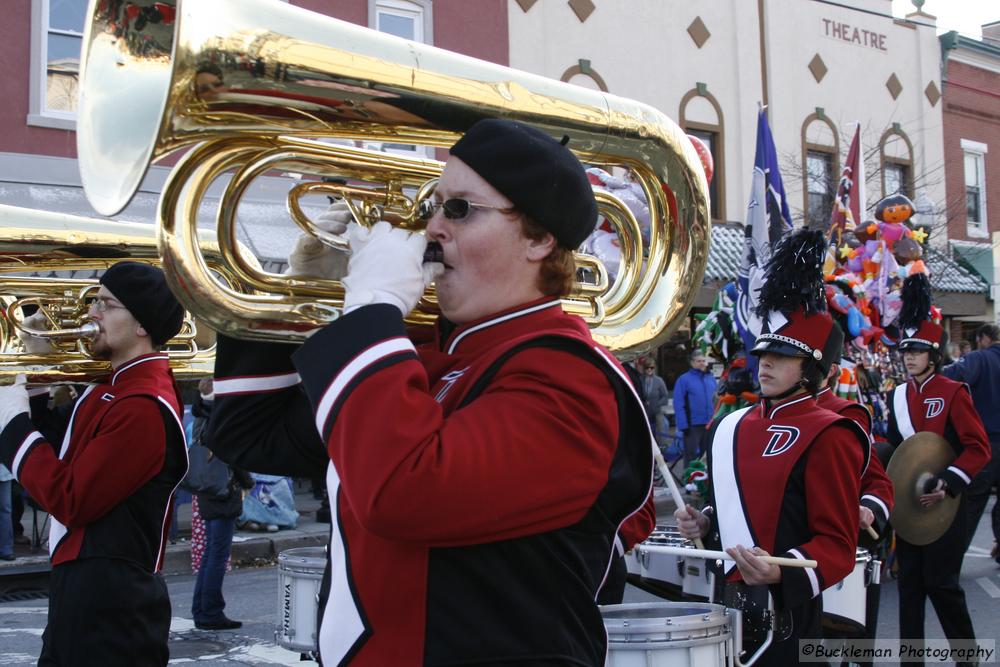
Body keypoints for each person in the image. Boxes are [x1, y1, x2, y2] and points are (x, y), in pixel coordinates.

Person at [207, 118, 654, 665]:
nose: (431, 227)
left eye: (459, 209)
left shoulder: (573, 379)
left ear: (539, 238)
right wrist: (293, 299)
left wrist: (373, 308)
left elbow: (401, 493)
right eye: (432, 205)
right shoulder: (429, 358)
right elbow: (250, 437)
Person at [675, 229, 867, 666]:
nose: (766, 363)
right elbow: (741, 509)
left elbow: (837, 543)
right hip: (726, 600)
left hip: (790, 614)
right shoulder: (731, 426)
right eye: (765, 354)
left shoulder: (830, 432)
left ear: (814, 367)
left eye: (782, 356)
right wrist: (705, 524)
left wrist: (782, 569)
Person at [0, 262, 187, 666]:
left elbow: (69, 497)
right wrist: (34, 380)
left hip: (112, 603)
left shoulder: (142, 406)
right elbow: (65, 452)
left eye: (106, 304)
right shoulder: (115, 390)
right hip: (90, 590)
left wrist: (12, 425)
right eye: (94, 302)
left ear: (142, 325)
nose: (90, 314)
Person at [886, 274, 989, 658]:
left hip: (945, 504)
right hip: (910, 508)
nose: (909, 357)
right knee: (909, 587)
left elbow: (978, 448)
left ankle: (967, 659)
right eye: (905, 352)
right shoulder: (896, 396)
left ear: (934, 355)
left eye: (917, 351)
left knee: (943, 586)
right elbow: (897, 450)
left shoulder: (953, 392)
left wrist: (948, 481)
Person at [816, 362, 893, 664]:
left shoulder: (846, 414)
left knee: (840, 647)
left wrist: (870, 509)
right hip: (773, 557)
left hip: (830, 549)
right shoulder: (750, 417)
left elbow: (875, 480)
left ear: (829, 370)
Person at [190, 379, 254, 630]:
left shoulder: (200, 415)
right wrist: (247, 481)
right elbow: (233, 453)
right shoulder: (219, 417)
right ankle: (211, 612)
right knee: (217, 553)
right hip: (224, 489)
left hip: (208, 487)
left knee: (211, 552)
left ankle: (201, 609)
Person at [941, 323, 1000, 559]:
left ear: (983, 338)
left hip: (987, 442)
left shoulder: (979, 359)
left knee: (973, 501)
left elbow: (951, 376)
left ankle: (953, 556)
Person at [672, 349, 717, 465]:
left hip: (709, 423)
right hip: (692, 425)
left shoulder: (710, 378)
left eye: (703, 360)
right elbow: (678, 403)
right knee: (691, 456)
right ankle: (689, 481)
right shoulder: (684, 379)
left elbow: (717, 401)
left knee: (708, 455)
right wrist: (683, 425)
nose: (702, 363)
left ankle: (705, 481)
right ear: (692, 363)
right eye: (698, 361)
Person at [640, 359, 669, 431]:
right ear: (644, 368)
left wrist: (657, 404)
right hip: (644, 412)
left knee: (660, 434)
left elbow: (665, 396)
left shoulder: (659, 380)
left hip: (657, 412)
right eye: (647, 367)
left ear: (654, 368)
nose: (649, 369)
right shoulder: (640, 380)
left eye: (651, 367)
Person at [0, 464, 13, 561]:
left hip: (3, 471)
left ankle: (6, 549)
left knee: (5, 510)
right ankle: (6, 549)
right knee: (5, 510)